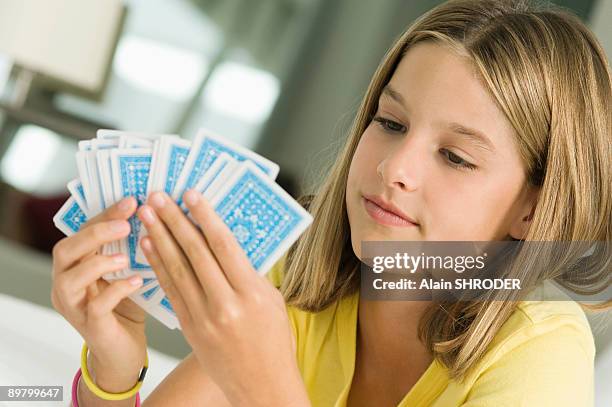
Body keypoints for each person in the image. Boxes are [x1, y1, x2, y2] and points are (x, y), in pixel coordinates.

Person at [51, 0, 611, 405]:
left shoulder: (541, 358)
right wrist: (114, 369)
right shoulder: (293, 274)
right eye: (390, 122)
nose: (395, 168)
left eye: (456, 157)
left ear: (534, 211)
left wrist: (260, 378)